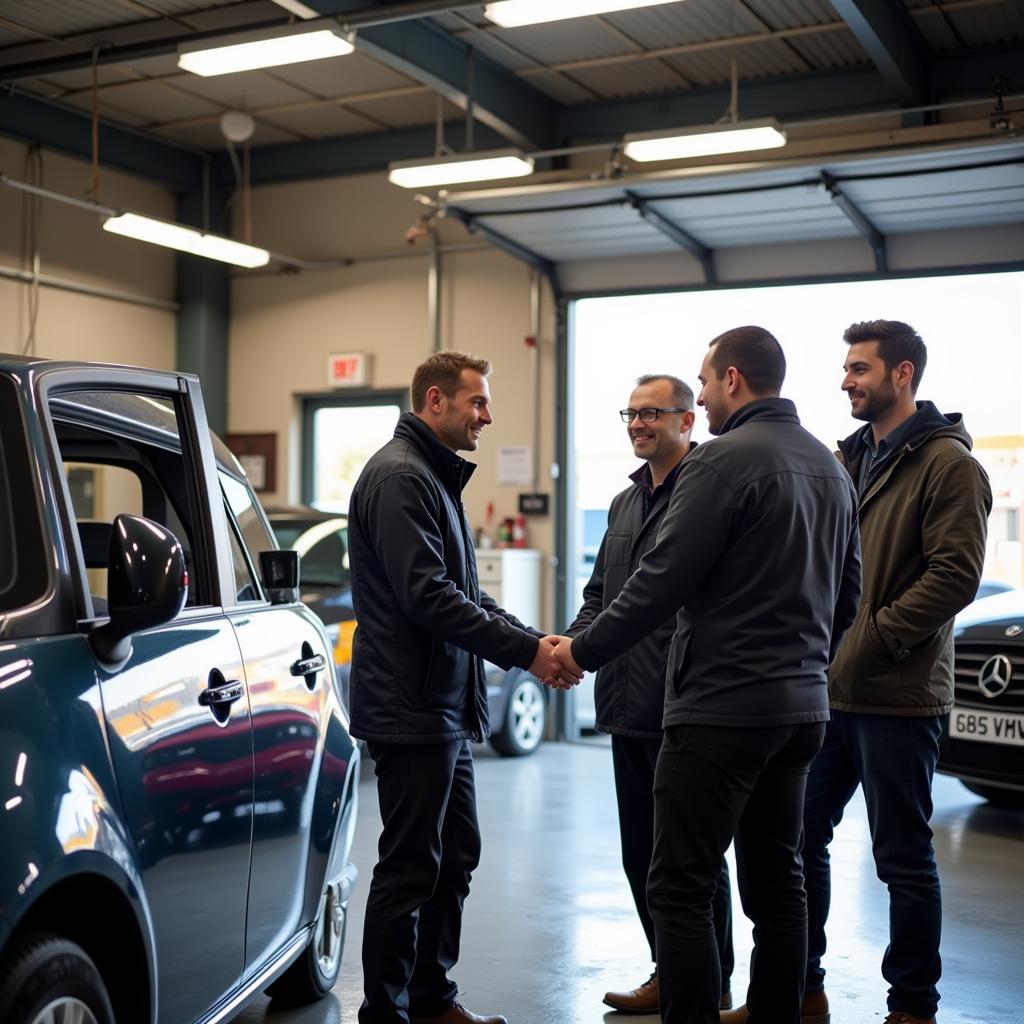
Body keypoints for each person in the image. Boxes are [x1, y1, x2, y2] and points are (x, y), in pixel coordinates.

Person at [548, 326, 862, 1024]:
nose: (705, 394)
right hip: (802, 711)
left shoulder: (718, 465)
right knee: (780, 885)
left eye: (705, 379)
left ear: (730, 380)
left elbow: (659, 582)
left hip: (719, 710)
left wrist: (579, 652)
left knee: (681, 886)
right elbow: (849, 595)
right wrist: (806, 665)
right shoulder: (830, 467)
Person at [347, 351, 579, 1024]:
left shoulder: (431, 477)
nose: (488, 415)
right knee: (411, 867)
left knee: (455, 855)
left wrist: (539, 642)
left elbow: (467, 596)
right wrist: (531, 653)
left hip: (440, 703)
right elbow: (429, 599)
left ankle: (431, 998)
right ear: (435, 402)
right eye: (477, 402)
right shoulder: (400, 478)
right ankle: (385, 1014)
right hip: (411, 705)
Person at [796, 320, 992, 1024]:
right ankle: (802, 988)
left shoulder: (949, 465)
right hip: (828, 694)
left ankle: (912, 1006)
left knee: (901, 858)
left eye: (859, 369)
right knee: (797, 839)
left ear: (902, 374)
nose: (846, 380)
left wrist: (870, 639)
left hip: (899, 696)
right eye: (846, 369)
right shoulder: (851, 459)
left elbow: (955, 576)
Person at [565, 373, 734, 1015]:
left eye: (652, 413)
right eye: (630, 414)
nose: (638, 424)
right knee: (642, 851)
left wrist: (576, 650)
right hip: (625, 705)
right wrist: (568, 652)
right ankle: (669, 967)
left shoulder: (707, 495)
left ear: (687, 421)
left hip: (684, 703)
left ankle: (710, 983)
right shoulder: (622, 503)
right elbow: (600, 596)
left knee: (689, 857)